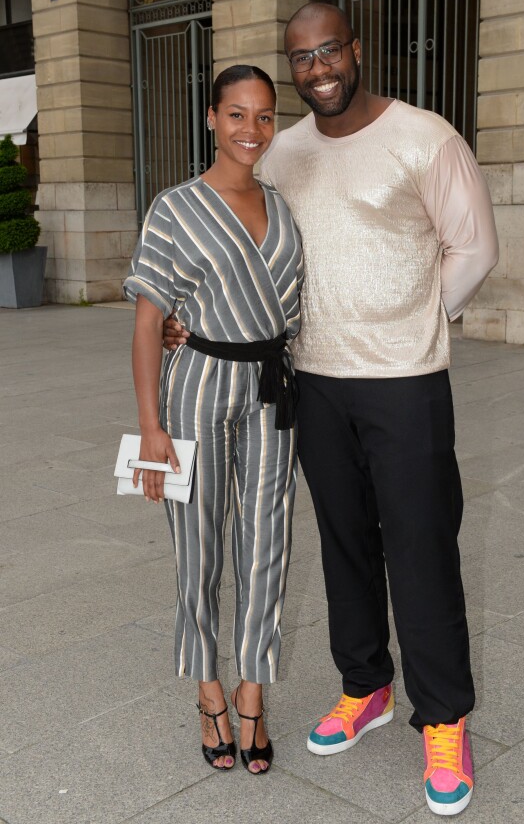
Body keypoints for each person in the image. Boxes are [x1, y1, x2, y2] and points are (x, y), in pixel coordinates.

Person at [163, 4, 498, 815]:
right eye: (301, 58)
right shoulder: (284, 151)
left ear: (356, 49)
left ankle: (443, 718)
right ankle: (365, 687)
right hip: (309, 380)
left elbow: (475, 246)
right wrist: (190, 315)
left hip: (407, 382)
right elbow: (245, 245)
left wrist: (415, 321)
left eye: (329, 52)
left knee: (419, 549)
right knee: (344, 542)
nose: (318, 68)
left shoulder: (426, 136)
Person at [124, 65, 303, 775]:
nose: (251, 131)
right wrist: (150, 429)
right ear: (210, 118)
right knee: (196, 551)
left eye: (264, 116)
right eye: (236, 115)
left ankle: (252, 693)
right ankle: (207, 691)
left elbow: (293, 311)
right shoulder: (173, 207)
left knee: (268, 546)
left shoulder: (285, 208)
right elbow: (145, 326)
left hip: (272, 389)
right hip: (193, 386)